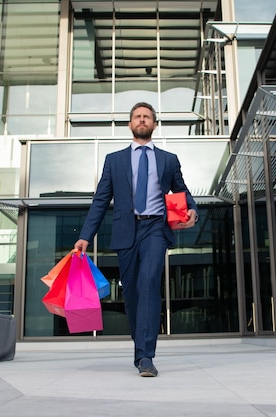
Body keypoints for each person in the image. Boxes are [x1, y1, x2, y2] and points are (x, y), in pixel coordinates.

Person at [74, 102, 198, 377]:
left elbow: (183, 191)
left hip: (155, 228)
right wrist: (85, 237)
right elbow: (100, 201)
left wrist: (192, 211)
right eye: (137, 117)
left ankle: (145, 356)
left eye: (147, 117)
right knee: (131, 293)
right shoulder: (114, 160)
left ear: (155, 124)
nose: (142, 120)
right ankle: (140, 343)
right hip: (126, 231)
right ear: (130, 124)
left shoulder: (168, 159)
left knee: (149, 283)